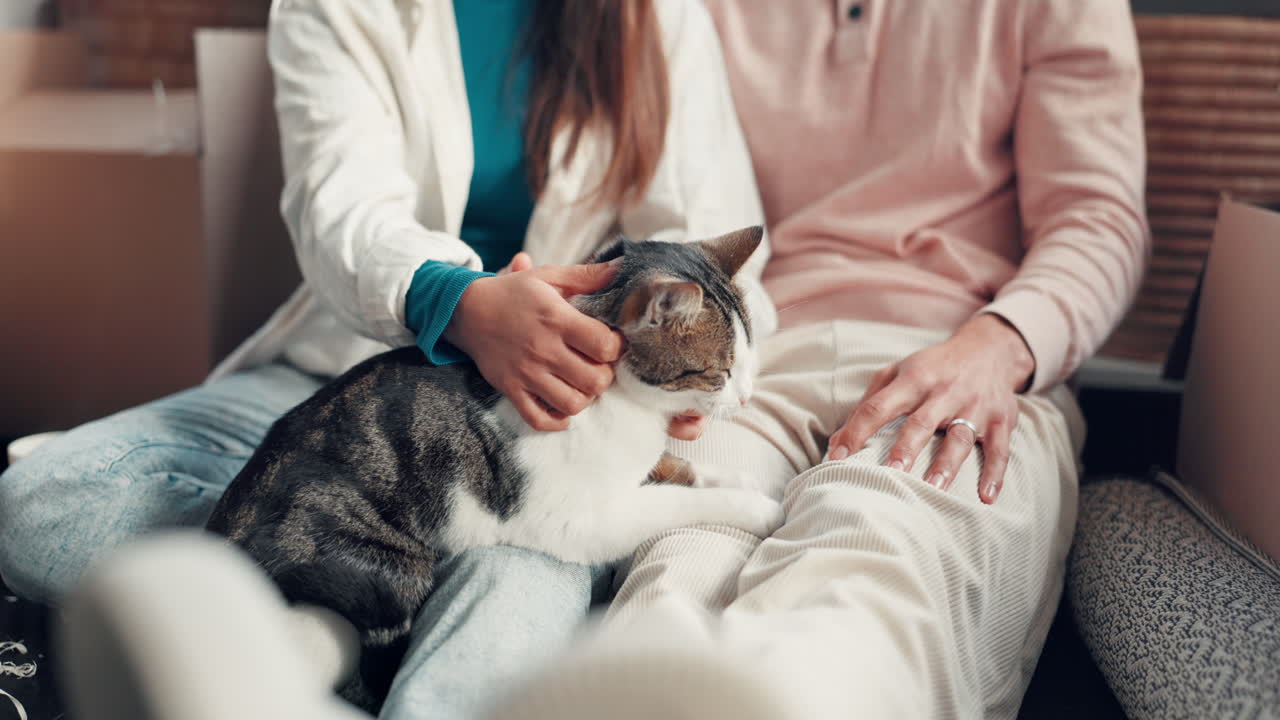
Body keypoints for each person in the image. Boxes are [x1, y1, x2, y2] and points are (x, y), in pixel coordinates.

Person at [0, 1, 772, 718]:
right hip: (336, 378)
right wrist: (458, 302)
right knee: (40, 503)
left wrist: (665, 375)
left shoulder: (656, 15)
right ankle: (356, 604)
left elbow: (709, 232)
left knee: (516, 588)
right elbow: (338, 206)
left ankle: (287, 640)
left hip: (555, 435)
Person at [481, 0, 1150, 718]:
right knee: (676, 566)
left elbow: (1099, 220)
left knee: (873, 579)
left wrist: (999, 346)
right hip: (748, 352)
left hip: (967, 350)